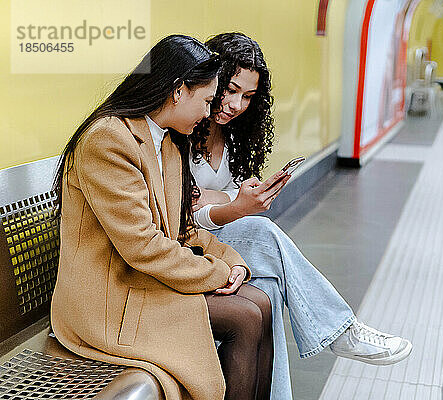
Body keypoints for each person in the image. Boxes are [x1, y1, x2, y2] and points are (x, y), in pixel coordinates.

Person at [188, 32, 413, 400]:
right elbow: (182, 215)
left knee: (270, 288)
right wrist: (233, 206)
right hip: (190, 248)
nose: (234, 104)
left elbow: (213, 199)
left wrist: (223, 200)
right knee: (261, 231)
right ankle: (341, 330)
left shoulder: (231, 137)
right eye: (229, 89)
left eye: (247, 96)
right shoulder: (181, 129)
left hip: (220, 240)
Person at [50, 35, 273, 400]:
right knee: (245, 317)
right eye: (205, 101)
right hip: (109, 299)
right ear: (177, 91)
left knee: (259, 302)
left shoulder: (168, 142)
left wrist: (233, 262)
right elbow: (142, 246)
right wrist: (216, 273)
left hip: (141, 282)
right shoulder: (108, 139)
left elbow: (182, 227)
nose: (208, 113)